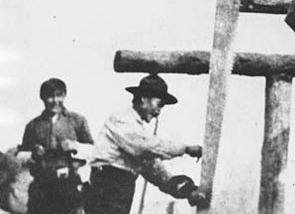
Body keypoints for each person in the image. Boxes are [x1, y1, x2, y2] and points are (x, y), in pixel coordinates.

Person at [86, 73, 205, 213]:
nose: (159, 111)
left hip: (120, 196)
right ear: (143, 98)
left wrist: (188, 191)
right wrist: (184, 149)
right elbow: (144, 147)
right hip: (105, 193)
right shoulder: (121, 120)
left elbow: (156, 171)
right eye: (159, 104)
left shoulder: (138, 134)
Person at [19, 78, 93, 214]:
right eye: (50, 96)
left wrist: (75, 146)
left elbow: (93, 151)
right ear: (43, 98)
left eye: (58, 95)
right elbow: (21, 156)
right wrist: (32, 153)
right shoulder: (33, 126)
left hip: (70, 187)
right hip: (41, 188)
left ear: (64, 95)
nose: (55, 100)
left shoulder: (77, 121)